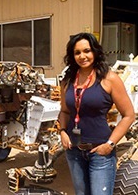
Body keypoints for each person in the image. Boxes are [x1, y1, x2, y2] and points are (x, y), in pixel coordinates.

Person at [58, 32, 135, 195]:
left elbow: (129, 115)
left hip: (100, 152)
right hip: (74, 150)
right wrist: (62, 131)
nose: (82, 56)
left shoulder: (109, 79)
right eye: (77, 52)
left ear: (95, 51)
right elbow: (65, 111)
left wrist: (110, 144)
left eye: (87, 51)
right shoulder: (67, 81)